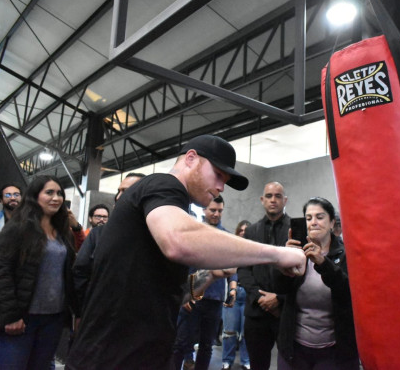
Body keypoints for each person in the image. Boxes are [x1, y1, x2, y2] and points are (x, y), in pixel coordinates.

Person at [66, 135, 306, 370]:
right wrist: (278, 254)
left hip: (139, 352)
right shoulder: (163, 184)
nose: (221, 187)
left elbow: (168, 293)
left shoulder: (166, 210)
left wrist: (210, 275)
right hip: (110, 355)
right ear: (190, 158)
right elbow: (178, 240)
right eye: (218, 175)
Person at [0, 175, 80, 370]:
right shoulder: (17, 228)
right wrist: (12, 315)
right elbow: (2, 273)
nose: (56, 198)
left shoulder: (63, 232)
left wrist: (76, 311)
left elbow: (68, 274)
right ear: (34, 196)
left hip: (53, 320)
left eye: (59, 194)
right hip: (21, 319)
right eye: (49, 192)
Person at [273, 197, 359, 370]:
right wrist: (284, 261)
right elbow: (280, 288)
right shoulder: (298, 253)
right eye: (308, 218)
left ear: (332, 222)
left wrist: (323, 263)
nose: (313, 222)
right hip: (294, 348)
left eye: (320, 217)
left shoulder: (346, 254)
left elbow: (347, 294)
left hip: (334, 351)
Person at [173, 195, 232, 370]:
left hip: (214, 299)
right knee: (181, 343)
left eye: (220, 211)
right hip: (192, 299)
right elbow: (184, 268)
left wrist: (233, 289)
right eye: (212, 210)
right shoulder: (193, 234)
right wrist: (186, 296)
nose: (216, 214)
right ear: (204, 209)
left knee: (207, 345)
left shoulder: (227, 237)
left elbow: (232, 266)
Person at [72, 172, 145, 311]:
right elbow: (80, 273)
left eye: (126, 191)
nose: (118, 197)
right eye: (118, 191)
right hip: (100, 314)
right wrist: (80, 312)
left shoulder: (157, 236)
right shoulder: (97, 234)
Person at [237, 181, 291, 370]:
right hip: (256, 312)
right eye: (269, 196)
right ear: (262, 200)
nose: (273, 200)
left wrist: (280, 299)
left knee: (290, 364)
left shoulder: (295, 229)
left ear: (285, 200)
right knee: (258, 365)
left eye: (277, 196)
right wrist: (260, 297)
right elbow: (243, 269)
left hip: (286, 312)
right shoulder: (251, 231)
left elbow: (304, 270)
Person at [221, 220, 252, 370]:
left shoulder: (254, 252)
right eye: (241, 230)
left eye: (247, 231)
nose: (244, 233)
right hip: (232, 292)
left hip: (248, 295)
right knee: (229, 331)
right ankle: (227, 360)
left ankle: (246, 361)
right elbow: (229, 272)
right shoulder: (231, 250)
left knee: (246, 332)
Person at [0, 183, 22, 272]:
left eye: (16, 194)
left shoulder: (30, 223)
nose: (13, 198)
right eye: (8, 195)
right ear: (1, 200)